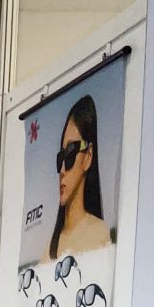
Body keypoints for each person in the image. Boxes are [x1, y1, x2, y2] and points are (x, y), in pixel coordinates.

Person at [48, 95, 111, 260]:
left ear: (88, 156)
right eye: (61, 158)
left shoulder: (98, 234)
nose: (62, 170)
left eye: (70, 153)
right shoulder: (49, 249)